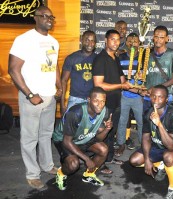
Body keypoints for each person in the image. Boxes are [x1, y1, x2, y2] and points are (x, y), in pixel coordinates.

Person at [8, 5, 61, 189]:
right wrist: (29, 94)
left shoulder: (54, 42)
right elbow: (13, 69)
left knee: (46, 135)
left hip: (49, 96)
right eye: (44, 16)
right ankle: (32, 174)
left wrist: (59, 87)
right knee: (30, 138)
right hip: (32, 98)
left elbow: (54, 66)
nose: (48, 19)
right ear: (35, 17)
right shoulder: (24, 40)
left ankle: (47, 165)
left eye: (51, 16)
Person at [129, 85, 173, 199]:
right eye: (153, 96)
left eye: (160, 97)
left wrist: (159, 124)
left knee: (169, 156)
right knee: (134, 160)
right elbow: (146, 137)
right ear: (150, 97)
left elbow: (171, 145)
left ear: (166, 99)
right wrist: (147, 159)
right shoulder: (148, 112)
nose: (156, 100)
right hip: (158, 146)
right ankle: (160, 163)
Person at [52, 87, 112, 190]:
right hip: (65, 139)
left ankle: (88, 175)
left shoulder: (105, 112)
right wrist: (87, 159)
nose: (100, 104)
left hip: (84, 137)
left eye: (103, 101)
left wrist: (107, 129)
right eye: (96, 101)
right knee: (73, 164)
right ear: (89, 100)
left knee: (104, 149)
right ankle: (61, 173)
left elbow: (98, 139)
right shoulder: (75, 113)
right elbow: (67, 141)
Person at [93, 29, 132, 174]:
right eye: (112, 39)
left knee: (110, 133)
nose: (116, 42)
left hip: (116, 103)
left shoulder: (115, 59)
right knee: (101, 134)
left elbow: (123, 81)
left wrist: (139, 87)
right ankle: (99, 164)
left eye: (118, 39)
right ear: (106, 40)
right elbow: (98, 84)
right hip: (103, 105)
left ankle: (108, 158)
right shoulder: (100, 59)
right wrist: (122, 86)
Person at [115, 32, 143, 156]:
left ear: (139, 43)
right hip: (124, 95)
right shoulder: (120, 57)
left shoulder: (144, 58)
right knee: (122, 120)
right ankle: (121, 144)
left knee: (141, 122)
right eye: (130, 41)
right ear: (126, 43)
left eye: (135, 41)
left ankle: (143, 145)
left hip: (139, 96)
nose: (132, 44)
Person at [142, 25, 173, 112]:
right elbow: (143, 73)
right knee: (146, 123)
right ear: (153, 37)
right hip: (148, 97)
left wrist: (155, 89)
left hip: (166, 97)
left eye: (161, 37)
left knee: (165, 123)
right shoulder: (146, 52)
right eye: (156, 37)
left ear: (167, 39)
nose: (158, 40)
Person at [60, 30, 97, 114]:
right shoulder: (71, 58)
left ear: (95, 43)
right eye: (87, 40)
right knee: (72, 126)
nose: (90, 43)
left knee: (90, 127)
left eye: (92, 41)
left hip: (92, 100)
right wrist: (62, 105)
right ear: (81, 40)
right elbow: (63, 81)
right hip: (75, 99)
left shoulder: (98, 59)